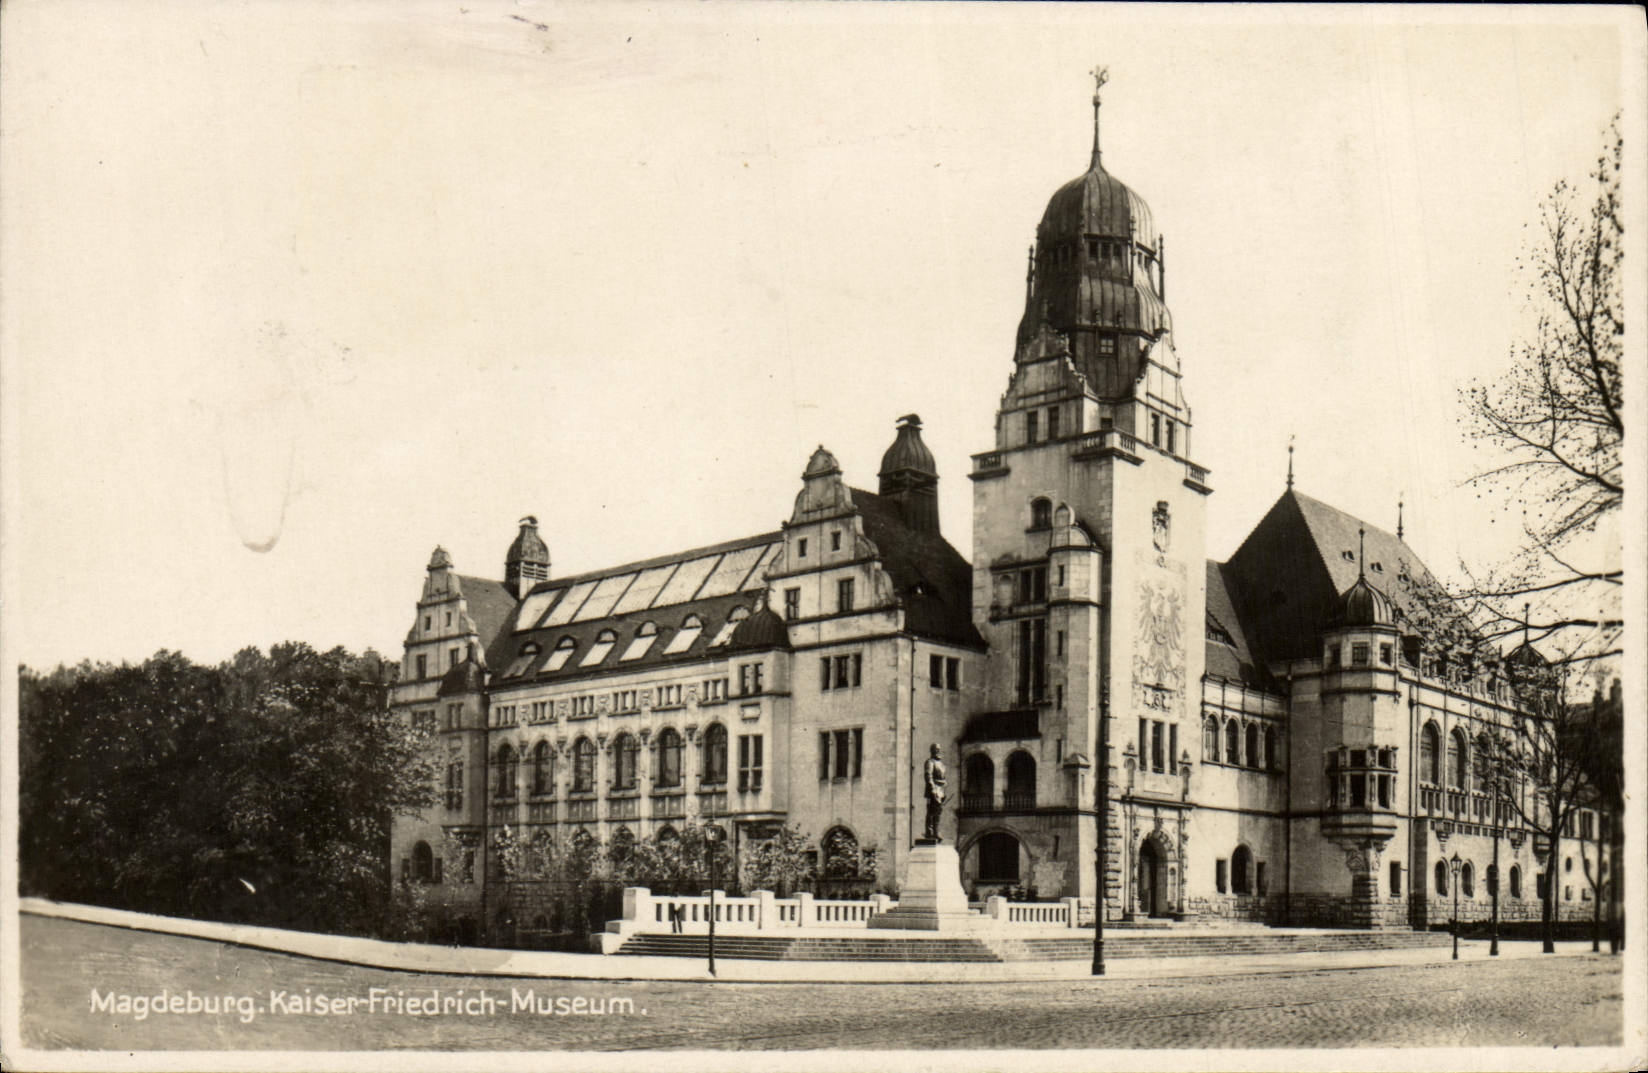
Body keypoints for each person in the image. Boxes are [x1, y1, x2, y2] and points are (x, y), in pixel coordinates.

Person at [923, 743, 947, 841]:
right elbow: (928, 776)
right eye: (936, 749)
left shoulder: (941, 764)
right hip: (934, 789)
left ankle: (936, 831)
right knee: (931, 811)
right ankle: (930, 832)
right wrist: (933, 789)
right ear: (932, 750)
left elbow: (943, 778)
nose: (938, 751)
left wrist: (945, 787)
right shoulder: (930, 762)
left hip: (941, 789)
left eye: (939, 749)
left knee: (938, 811)